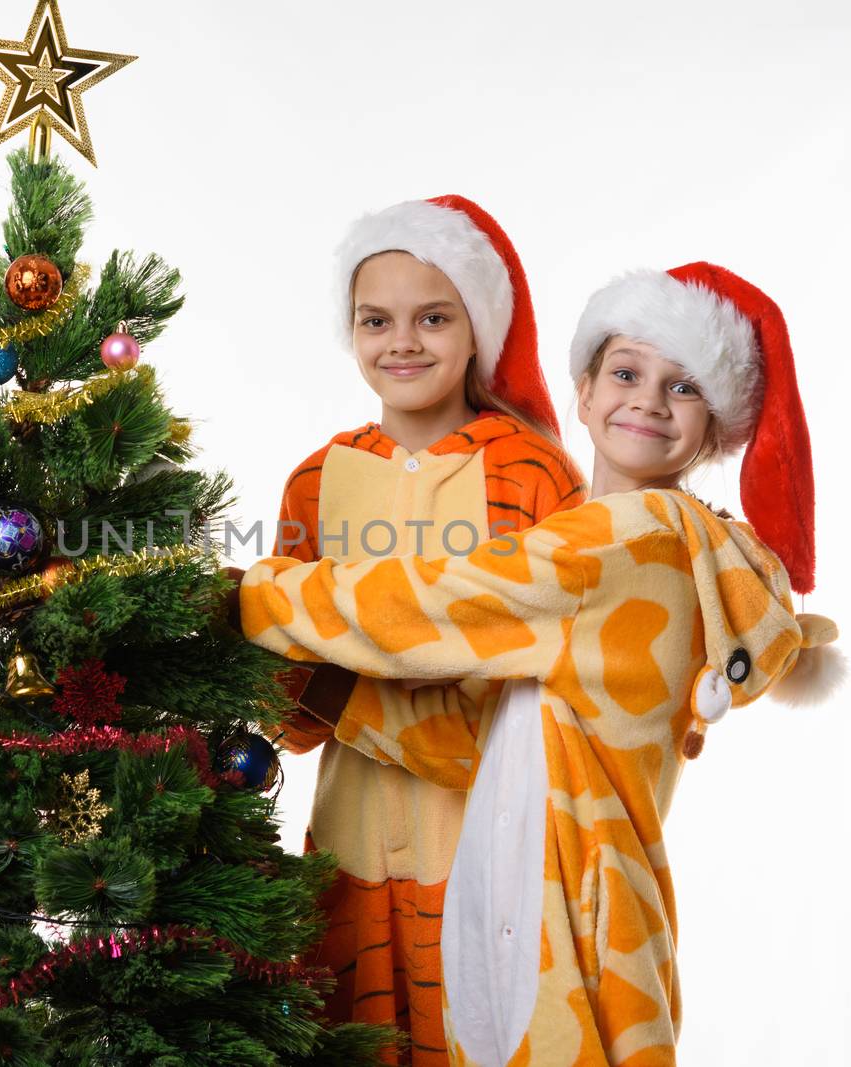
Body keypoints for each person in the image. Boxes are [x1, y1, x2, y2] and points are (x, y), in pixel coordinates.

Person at [239, 263, 839, 1066]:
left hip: (571, 921)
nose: (649, 402)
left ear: (716, 425)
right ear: (584, 394)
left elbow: (428, 602)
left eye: (684, 387)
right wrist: (330, 693)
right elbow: (474, 740)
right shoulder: (607, 538)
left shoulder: (628, 541)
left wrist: (252, 593)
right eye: (627, 373)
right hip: (540, 900)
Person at [271, 196, 586, 1064]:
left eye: (433, 318)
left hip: (486, 848)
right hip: (347, 848)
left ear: (476, 327)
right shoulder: (315, 481)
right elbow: (288, 700)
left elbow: (552, 666)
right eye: (377, 320)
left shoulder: (530, 473)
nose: (402, 342)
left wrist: (360, 675)